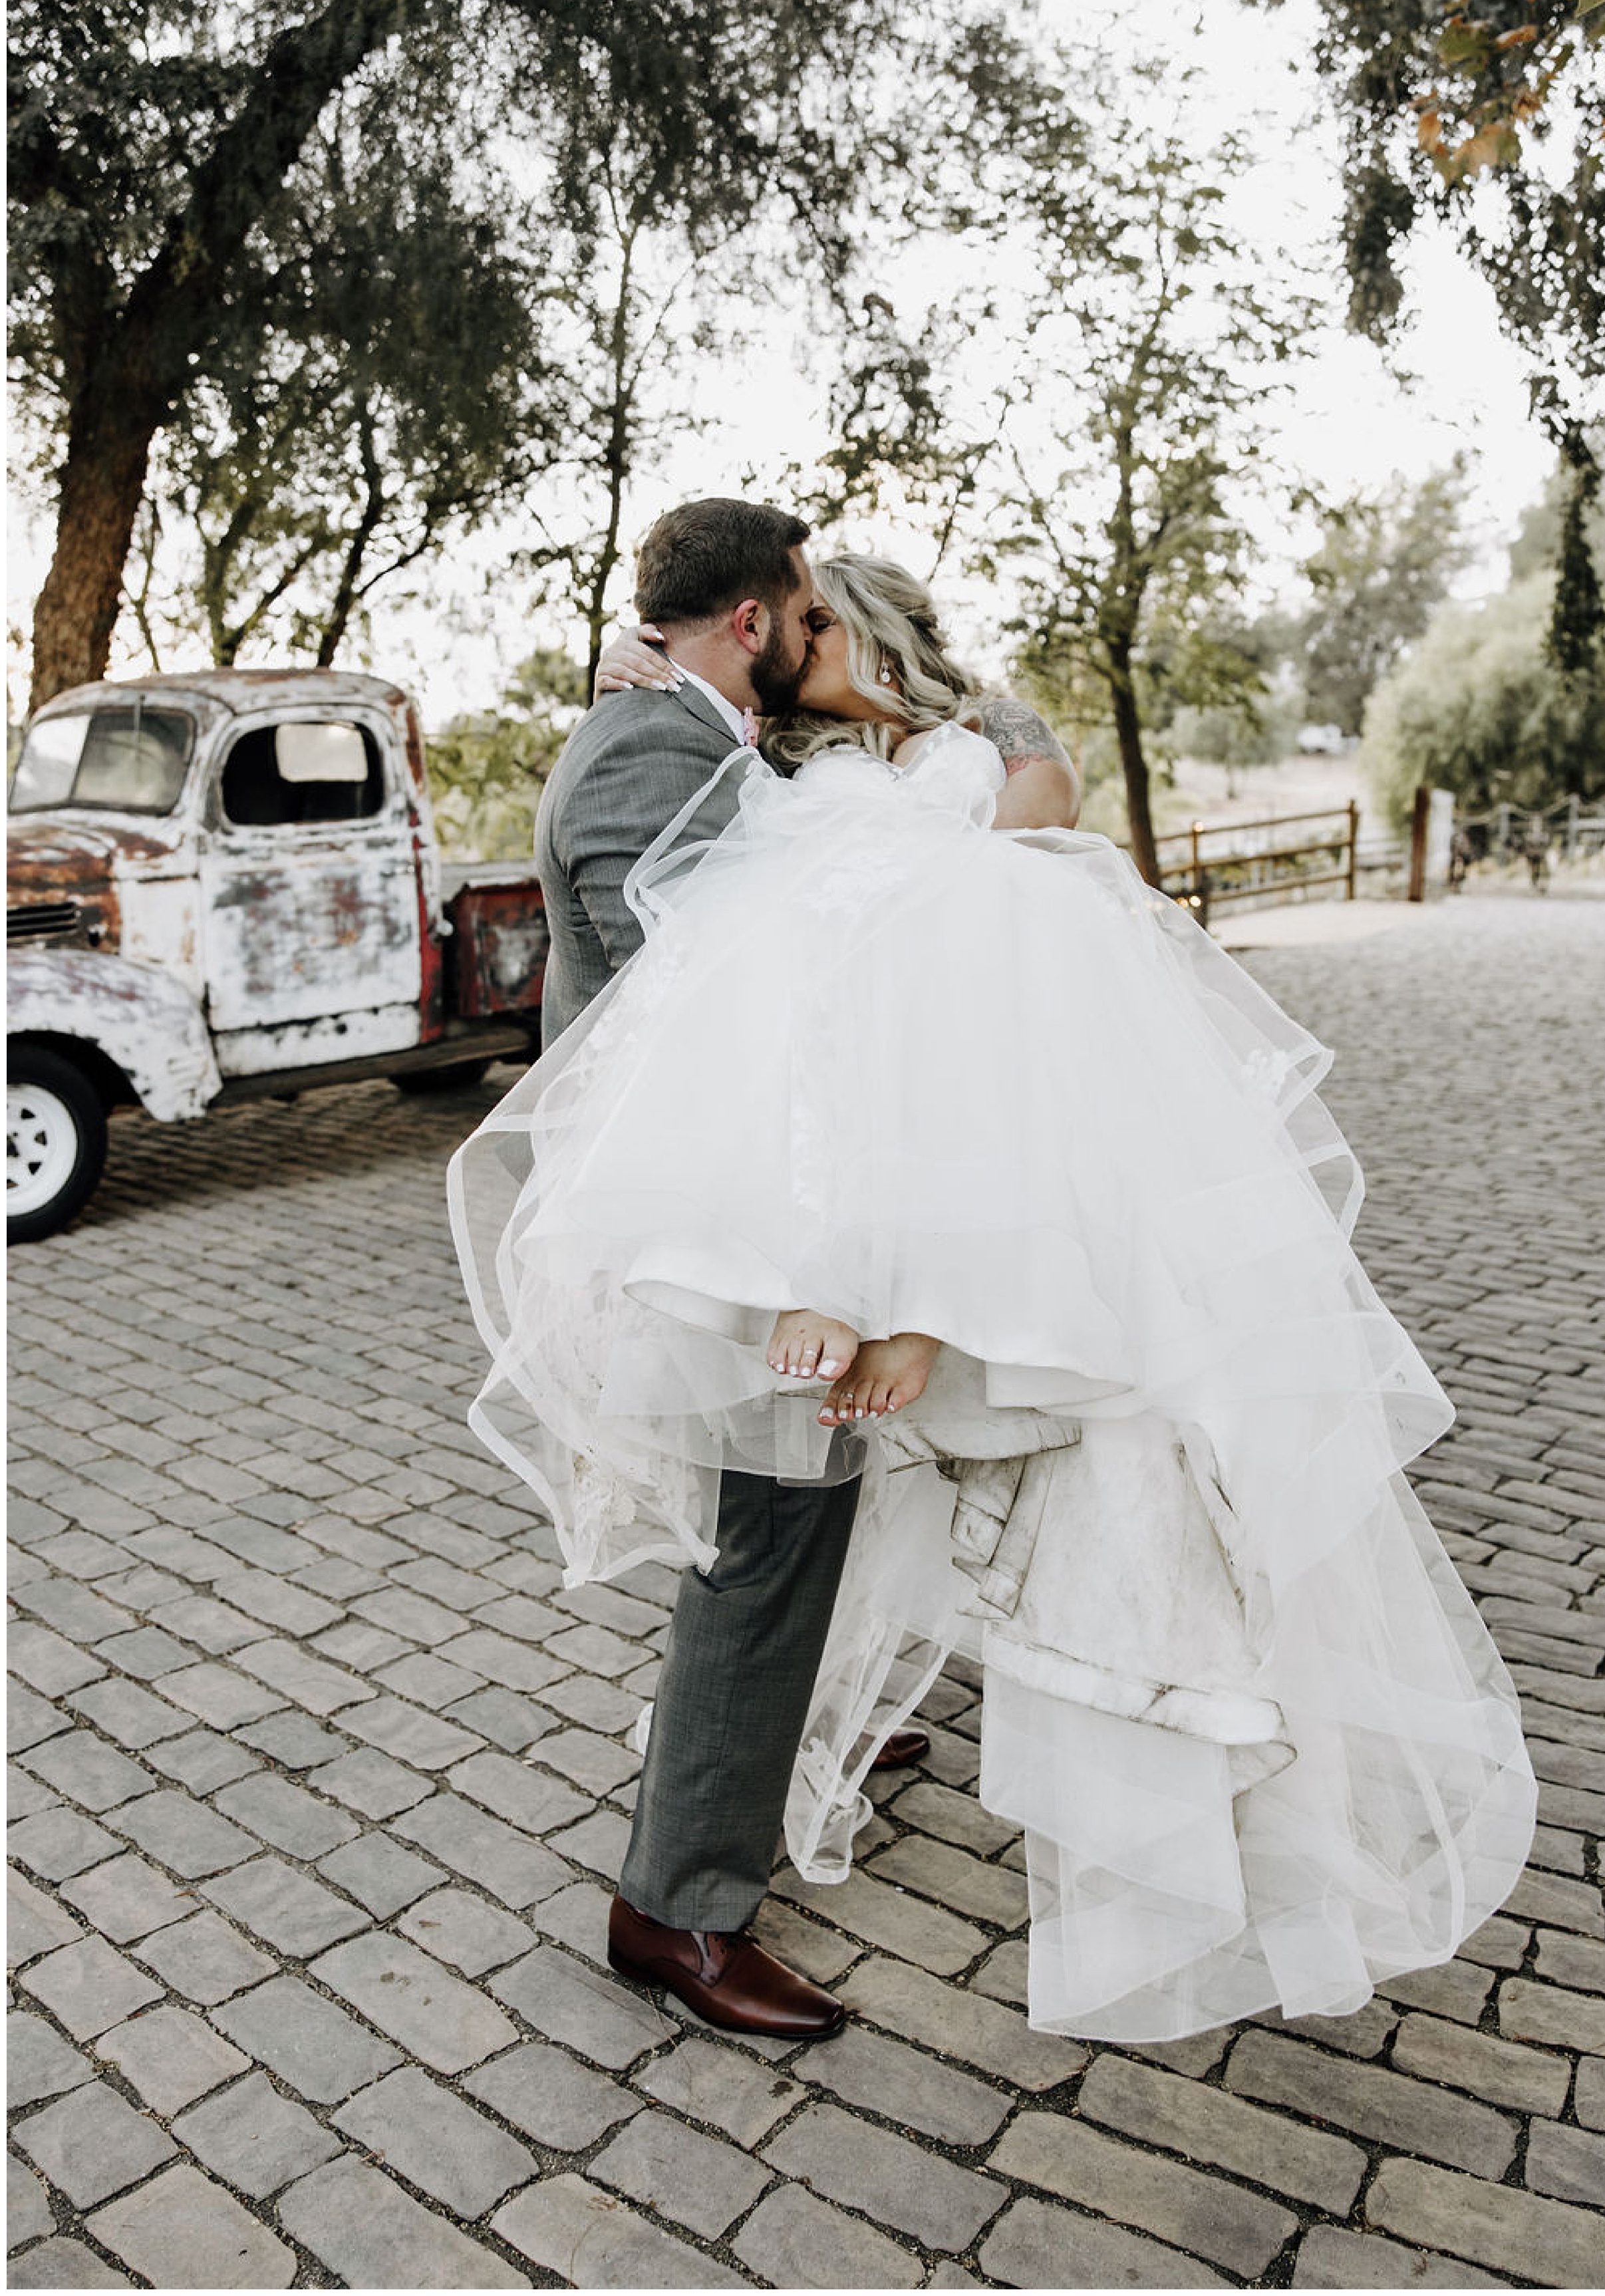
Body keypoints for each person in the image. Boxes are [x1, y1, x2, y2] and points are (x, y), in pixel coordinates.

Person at [454, 542, 1535, 2045]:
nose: (807, 636)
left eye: (836, 618)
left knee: (873, 1506)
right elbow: (752, 1038)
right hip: (763, 1242)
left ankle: (821, 1745)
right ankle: (676, 1905)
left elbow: (957, 1013)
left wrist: (986, 734)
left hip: (922, 1233)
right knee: (772, 1537)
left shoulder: (840, 761)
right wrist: (804, 1278)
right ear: (756, 622)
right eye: (797, 611)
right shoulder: (721, 756)